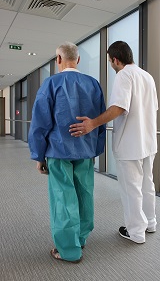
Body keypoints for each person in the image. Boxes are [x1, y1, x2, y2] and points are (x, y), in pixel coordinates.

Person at [69, 41, 158, 244]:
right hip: (148, 142)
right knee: (147, 184)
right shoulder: (147, 77)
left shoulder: (124, 75)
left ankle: (136, 231)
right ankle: (150, 222)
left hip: (130, 145)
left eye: (110, 61)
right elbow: (153, 109)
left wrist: (93, 123)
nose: (111, 65)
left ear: (115, 60)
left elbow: (118, 107)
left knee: (131, 189)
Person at [28, 42, 106, 262]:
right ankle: (80, 239)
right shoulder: (93, 84)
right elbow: (99, 120)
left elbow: (40, 123)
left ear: (58, 60)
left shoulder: (51, 84)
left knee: (63, 198)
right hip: (85, 150)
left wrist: (38, 156)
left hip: (58, 150)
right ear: (78, 60)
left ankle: (68, 250)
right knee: (84, 194)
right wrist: (95, 148)